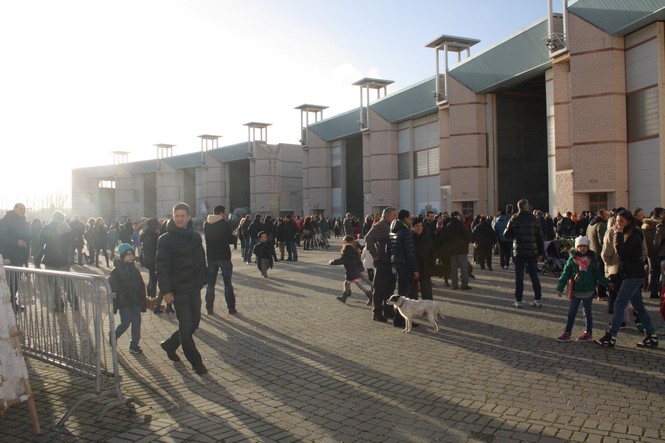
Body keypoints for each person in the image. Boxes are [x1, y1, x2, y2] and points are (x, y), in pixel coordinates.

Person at [156, 202, 208, 374]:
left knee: (194, 324)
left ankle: (170, 345)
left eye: (182, 216)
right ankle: (196, 362)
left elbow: (201, 260)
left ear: (188, 217)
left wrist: (204, 279)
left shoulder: (195, 236)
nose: (179, 219)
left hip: (194, 286)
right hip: (178, 289)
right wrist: (166, 291)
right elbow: (162, 267)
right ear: (173, 217)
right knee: (186, 325)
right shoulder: (165, 240)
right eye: (176, 216)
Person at [596, 210, 658, 348]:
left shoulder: (635, 233)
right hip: (628, 273)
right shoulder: (627, 233)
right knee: (638, 306)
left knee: (619, 303)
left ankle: (611, 335)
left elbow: (622, 252)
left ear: (628, 221)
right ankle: (651, 334)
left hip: (633, 275)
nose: (618, 225)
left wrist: (617, 235)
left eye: (621, 222)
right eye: (617, 222)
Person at [555, 236, 609, 342]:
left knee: (587, 312)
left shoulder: (591, 261)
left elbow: (598, 275)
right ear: (576, 247)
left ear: (588, 247)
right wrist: (559, 288)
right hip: (576, 290)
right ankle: (567, 332)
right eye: (580, 246)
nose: (582, 249)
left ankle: (588, 333)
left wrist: (608, 283)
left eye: (584, 246)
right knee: (572, 312)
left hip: (588, 290)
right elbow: (565, 274)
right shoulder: (572, 260)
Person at [504, 199, 544, 308]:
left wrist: (514, 233)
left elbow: (506, 234)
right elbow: (540, 237)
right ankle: (538, 299)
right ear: (527, 207)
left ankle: (518, 300)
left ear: (518, 207)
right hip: (532, 250)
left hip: (519, 251)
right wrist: (541, 252)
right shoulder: (534, 219)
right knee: (534, 275)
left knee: (519, 276)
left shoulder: (514, 219)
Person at [34, 210, 77, 311]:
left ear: (53, 217)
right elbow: (69, 245)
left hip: (50, 259)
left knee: (53, 284)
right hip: (63, 259)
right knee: (67, 282)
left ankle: (59, 305)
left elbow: (40, 243)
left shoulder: (47, 228)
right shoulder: (67, 228)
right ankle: (75, 303)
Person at [109, 243, 146, 354]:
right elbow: (113, 289)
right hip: (124, 302)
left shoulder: (135, 269)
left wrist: (143, 301)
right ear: (121, 256)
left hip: (135, 301)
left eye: (131, 254)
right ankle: (114, 335)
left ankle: (134, 345)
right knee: (125, 323)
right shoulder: (116, 271)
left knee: (136, 323)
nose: (130, 256)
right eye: (127, 254)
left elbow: (141, 286)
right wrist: (115, 304)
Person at [365, 207, 397, 322]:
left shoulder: (389, 225)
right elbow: (368, 238)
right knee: (379, 289)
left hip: (390, 262)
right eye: (394, 215)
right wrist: (375, 255)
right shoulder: (381, 226)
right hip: (382, 262)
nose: (395, 217)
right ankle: (377, 313)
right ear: (387, 216)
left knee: (389, 288)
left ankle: (388, 311)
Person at [203, 205, 237, 315]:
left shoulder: (206, 224)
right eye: (225, 212)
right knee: (227, 283)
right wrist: (234, 236)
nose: (226, 214)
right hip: (224, 257)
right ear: (221, 213)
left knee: (211, 284)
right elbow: (230, 240)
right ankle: (231, 308)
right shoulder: (224, 224)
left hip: (212, 257)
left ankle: (209, 308)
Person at [0, 202, 30, 311]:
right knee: (9, 282)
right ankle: (8, 305)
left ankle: (13, 303)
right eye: (21, 208)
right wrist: (16, 242)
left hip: (19, 257)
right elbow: (2, 236)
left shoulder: (23, 221)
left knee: (16, 281)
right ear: (15, 208)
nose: (23, 210)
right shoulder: (6, 220)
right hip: (9, 257)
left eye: (24, 208)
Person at [329, 235, 373, 304]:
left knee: (358, 284)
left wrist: (332, 262)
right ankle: (344, 296)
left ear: (346, 241)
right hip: (356, 268)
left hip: (352, 270)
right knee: (348, 283)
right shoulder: (352, 247)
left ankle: (369, 294)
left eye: (343, 239)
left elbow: (343, 260)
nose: (342, 241)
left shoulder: (347, 248)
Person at [442, 211, 472, 290]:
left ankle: (454, 284)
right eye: (459, 215)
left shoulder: (448, 225)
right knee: (463, 268)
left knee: (453, 269)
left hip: (452, 251)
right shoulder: (460, 225)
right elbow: (466, 236)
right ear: (456, 216)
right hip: (461, 250)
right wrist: (466, 244)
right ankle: (464, 284)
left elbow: (445, 238)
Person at [140, 218, 163, 313]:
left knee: (151, 279)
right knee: (153, 281)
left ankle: (149, 299)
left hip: (148, 260)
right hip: (153, 261)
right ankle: (152, 301)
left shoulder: (146, 234)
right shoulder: (153, 236)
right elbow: (154, 250)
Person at [409, 218, 434, 301]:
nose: (419, 228)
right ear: (412, 227)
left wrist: (431, 264)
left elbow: (432, 252)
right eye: (417, 226)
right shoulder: (409, 238)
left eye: (420, 226)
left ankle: (428, 310)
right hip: (413, 268)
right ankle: (414, 311)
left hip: (425, 267)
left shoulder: (426, 237)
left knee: (427, 291)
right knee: (413, 292)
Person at [586, 208, 609, 298]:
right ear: (601, 215)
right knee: (600, 274)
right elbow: (602, 241)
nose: (608, 217)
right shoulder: (601, 225)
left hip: (592, 252)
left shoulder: (591, 224)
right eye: (607, 215)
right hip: (599, 253)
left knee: (593, 274)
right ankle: (601, 294)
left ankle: (594, 292)